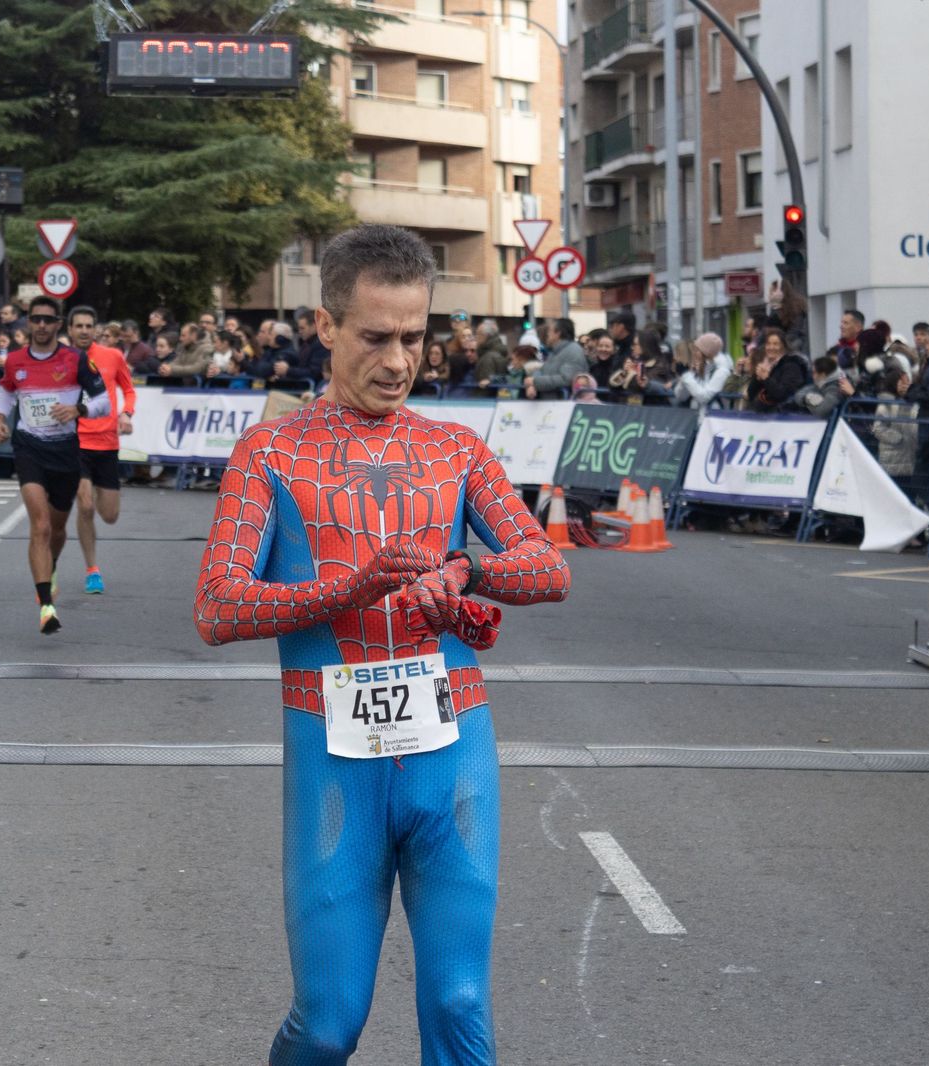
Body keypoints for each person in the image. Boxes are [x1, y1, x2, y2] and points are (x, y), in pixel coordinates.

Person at [194, 224, 570, 1065]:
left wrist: (466, 572)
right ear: (324, 327)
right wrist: (349, 588)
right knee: (328, 1024)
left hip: (452, 744)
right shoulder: (269, 453)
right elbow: (216, 606)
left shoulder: (455, 450)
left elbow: (547, 569)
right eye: (375, 338)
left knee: (461, 1002)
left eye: (414, 337)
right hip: (334, 753)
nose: (400, 361)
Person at [0, 295, 111, 634]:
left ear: (58, 324)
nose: (41, 325)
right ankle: (46, 605)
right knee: (40, 525)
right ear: (28, 322)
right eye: (36, 319)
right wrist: (0, 418)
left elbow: (104, 401)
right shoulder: (14, 360)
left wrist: (79, 410)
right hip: (29, 447)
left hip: (65, 452)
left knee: (57, 528)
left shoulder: (75, 359)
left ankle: (51, 564)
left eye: (48, 320)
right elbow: (7, 391)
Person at [69, 305, 136, 593]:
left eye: (88, 326)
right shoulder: (61, 360)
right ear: (70, 329)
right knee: (85, 506)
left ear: (95, 329)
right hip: (75, 442)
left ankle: (94, 491)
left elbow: (129, 390)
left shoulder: (112, 356)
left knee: (109, 515)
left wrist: (126, 414)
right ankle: (92, 569)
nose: (84, 330)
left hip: (107, 443)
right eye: (78, 326)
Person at [748, 327, 810, 413]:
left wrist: (766, 378)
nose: (771, 347)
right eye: (768, 344)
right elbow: (751, 394)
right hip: (763, 415)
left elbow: (781, 394)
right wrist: (757, 378)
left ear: (783, 346)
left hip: (786, 416)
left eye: (775, 344)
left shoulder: (792, 366)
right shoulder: (766, 365)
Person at [523, 318, 587, 399]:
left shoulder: (574, 351)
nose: (547, 334)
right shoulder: (554, 352)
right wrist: (532, 384)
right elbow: (542, 370)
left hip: (564, 406)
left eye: (550, 331)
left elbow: (567, 379)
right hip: (550, 404)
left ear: (558, 333)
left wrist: (535, 382)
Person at [672, 332, 732, 409]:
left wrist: (686, 375)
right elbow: (680, 396)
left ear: (706, 353)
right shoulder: (701, 369)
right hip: (698, 417)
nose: (694, 353)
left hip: (714, 418)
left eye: (697, 350)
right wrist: (686, 374)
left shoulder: (722, 371)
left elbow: (704, 398)